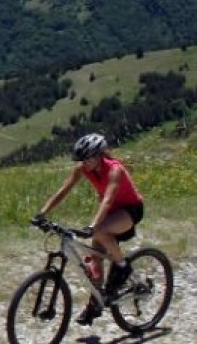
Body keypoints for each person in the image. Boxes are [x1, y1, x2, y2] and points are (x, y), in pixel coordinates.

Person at [34, 132, 145, 325]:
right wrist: (42, 213)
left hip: (130, 210)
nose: (83, 163)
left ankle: (122, 266)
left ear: (98, 155)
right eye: (81, 160)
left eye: (86, 159)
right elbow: (63, 191)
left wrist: (93, 226)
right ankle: (95, 304)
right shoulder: (83, 168)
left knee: (101, 231)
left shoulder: (114, 169)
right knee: (95, 262)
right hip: (111, 212)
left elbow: (109, 199)